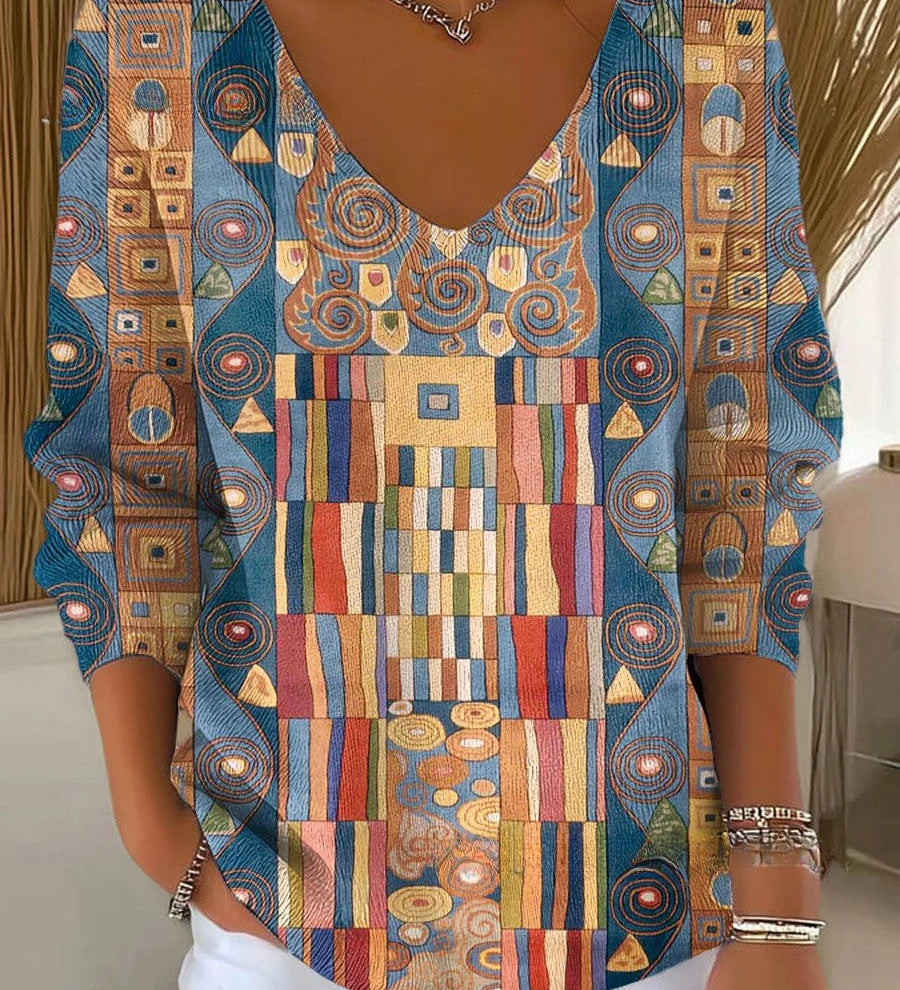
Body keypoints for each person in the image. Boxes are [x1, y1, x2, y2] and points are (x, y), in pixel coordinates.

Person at [24, 0, 843, 988]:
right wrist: (158, 836)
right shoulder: (155, 29)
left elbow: (744, 492)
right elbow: (125, 470)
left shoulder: (705, 32)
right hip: (284, 914)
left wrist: (778, 900)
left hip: (650, 914)